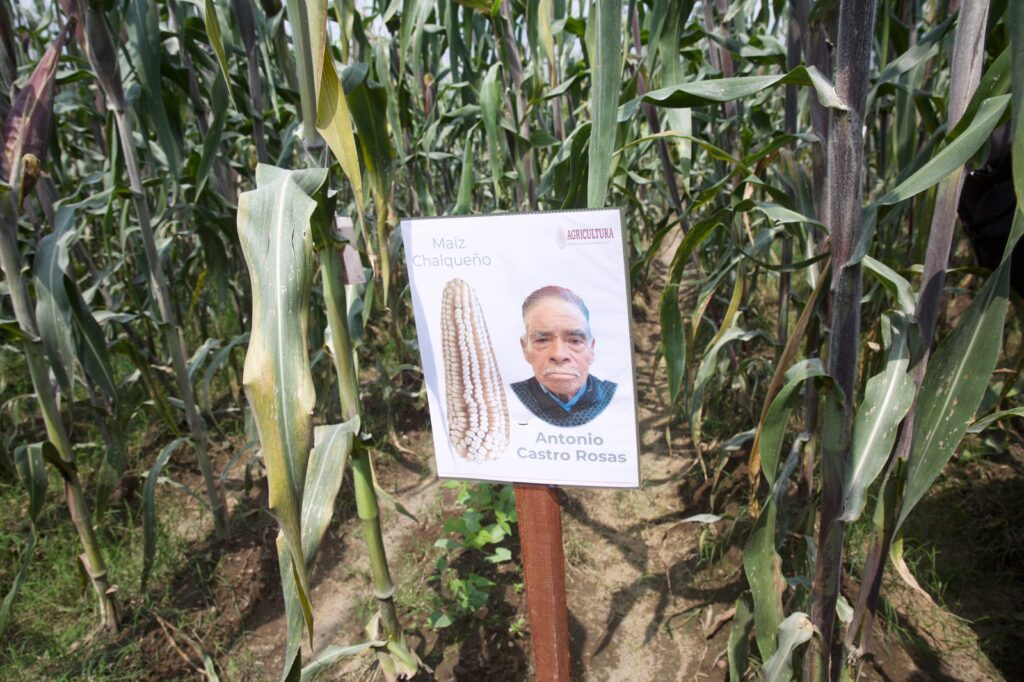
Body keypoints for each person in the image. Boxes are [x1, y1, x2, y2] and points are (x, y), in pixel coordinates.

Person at [510, 286, 617, 427]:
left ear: (591, 349)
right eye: (542, 340)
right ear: (525, 348)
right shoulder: (507, 399)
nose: (559, 354)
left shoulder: (616, 398)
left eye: (575, 341)